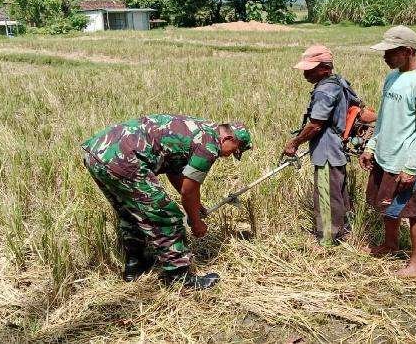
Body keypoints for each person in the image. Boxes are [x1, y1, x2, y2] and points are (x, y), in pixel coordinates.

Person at [81, 114, 252, 289]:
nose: (229, 155)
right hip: (123, 158)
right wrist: (195, 222)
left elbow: (175, 171)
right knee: (167, 216)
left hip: (96, 153)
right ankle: (179, 277)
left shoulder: (198, 128)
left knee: (131, 211)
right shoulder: (209, 145)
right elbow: (188, 191)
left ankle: (136, 265)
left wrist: (196, 205)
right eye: (234, 150)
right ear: (228, 138)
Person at [359, 25, 416, 277]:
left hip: (406, 162)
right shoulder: (392, 78)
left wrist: (411, 167)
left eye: (390, 52)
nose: (385, 56)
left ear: (407, 51)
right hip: (385, 156)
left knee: (414, 212)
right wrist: (371, 146)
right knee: (387, 205)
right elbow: (383, 118)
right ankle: (390, 244)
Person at [283, 45, 358, 245]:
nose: (305, 74)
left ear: (325, 68)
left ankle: (327, 240)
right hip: (338, 147)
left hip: (327, 151)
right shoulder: (339, 82)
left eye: (311, 69)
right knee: (338, 192)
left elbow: (316, 125)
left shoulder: (324, 90)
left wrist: (295, 142)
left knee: (327, 196)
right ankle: (344, 231)